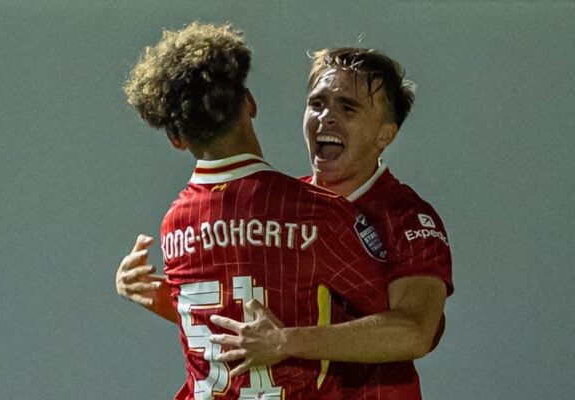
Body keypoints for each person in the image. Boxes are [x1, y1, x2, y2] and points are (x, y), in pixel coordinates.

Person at [118, 22, 393, 399]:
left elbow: (224, 321)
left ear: (177, 140)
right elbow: (397, 325)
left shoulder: (174, 225)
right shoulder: (315, 211)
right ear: (249, 102)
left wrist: (154, 295)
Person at [206, 48, 454, 399]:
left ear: (386, 135)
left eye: (348, 107)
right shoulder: (279, 207)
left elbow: (415, 331)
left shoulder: (407, 217)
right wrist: (161, 297)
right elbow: (248, 326)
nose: (327, 118)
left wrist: (286, 341)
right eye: (317, 103)